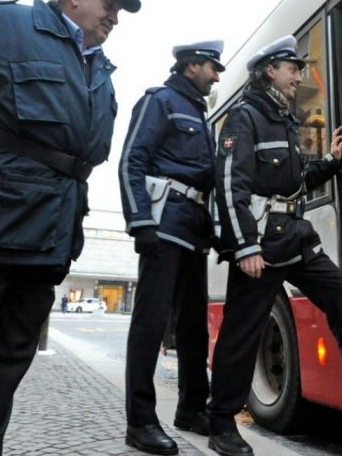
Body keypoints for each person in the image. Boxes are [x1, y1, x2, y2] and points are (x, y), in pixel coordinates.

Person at [0, 0, 140, 454]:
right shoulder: (0, 25)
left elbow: (85, 156)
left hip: (49, 235)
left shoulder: (101, 71)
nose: (115, 17)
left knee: (10, 356)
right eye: (110, 4)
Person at [208, 35, 342, 456]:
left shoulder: (285, 120)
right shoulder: (244, 118)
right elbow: (230, 184)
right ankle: (221, 424)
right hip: (262, 246)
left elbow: (292, 184)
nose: (299, 77)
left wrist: (330, 164)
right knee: (241, 335)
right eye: (294, 69)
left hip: (295, 238)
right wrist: (245, 246)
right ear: (270, 70)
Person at [119, 40, 224, 455]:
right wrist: (140, 220)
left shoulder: (201, 113)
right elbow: (132, 159)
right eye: (213, 67)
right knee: (150, 325)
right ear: (191, 65)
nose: (217, 75)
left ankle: (191, 409)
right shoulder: (159, 101)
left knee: (194, 327)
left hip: (194, 231)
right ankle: (140, 422)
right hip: (162, 228)